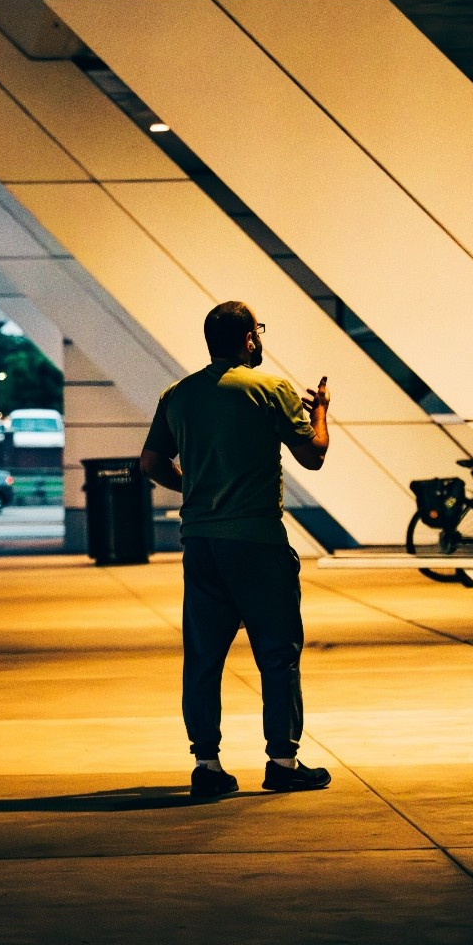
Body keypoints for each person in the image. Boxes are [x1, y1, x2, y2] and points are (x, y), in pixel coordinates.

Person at [138, 300, 332, 798]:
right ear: (248, 339)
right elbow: (313, 456)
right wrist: (323, 414)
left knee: (203, 657)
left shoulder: (178, 396)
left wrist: (197, 489)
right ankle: (283, 762)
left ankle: (207, 765)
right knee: (278, 654)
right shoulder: (271, 390)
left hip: (201, 543)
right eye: (258, 331)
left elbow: (151, 462)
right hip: (258, 544)